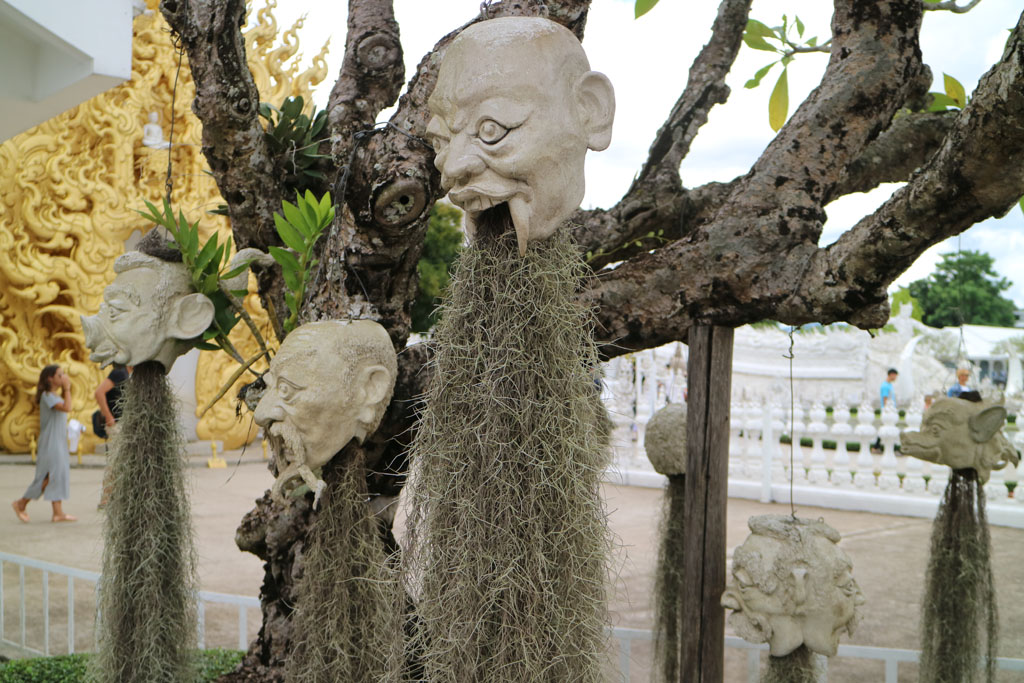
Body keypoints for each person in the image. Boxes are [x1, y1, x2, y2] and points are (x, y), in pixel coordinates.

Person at [11, 365, 76, 523]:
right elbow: (68, 407)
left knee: (57, 475)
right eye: (60, 375)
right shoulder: (48, 396)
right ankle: (21, 503)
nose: (63, 377)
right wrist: (67, 389)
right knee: (46, 476)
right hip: (50, 443)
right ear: (50, 378)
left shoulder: (54, 396)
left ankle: (58, 512)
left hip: (58, 442)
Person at [95, 364, 130, 509]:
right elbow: (99, 392)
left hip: (124, 423)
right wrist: (109, 417)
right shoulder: (119, 373)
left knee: (123, 460)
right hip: (116, 424)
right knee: (116, 460)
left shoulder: (130, 375)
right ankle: (106, 498)